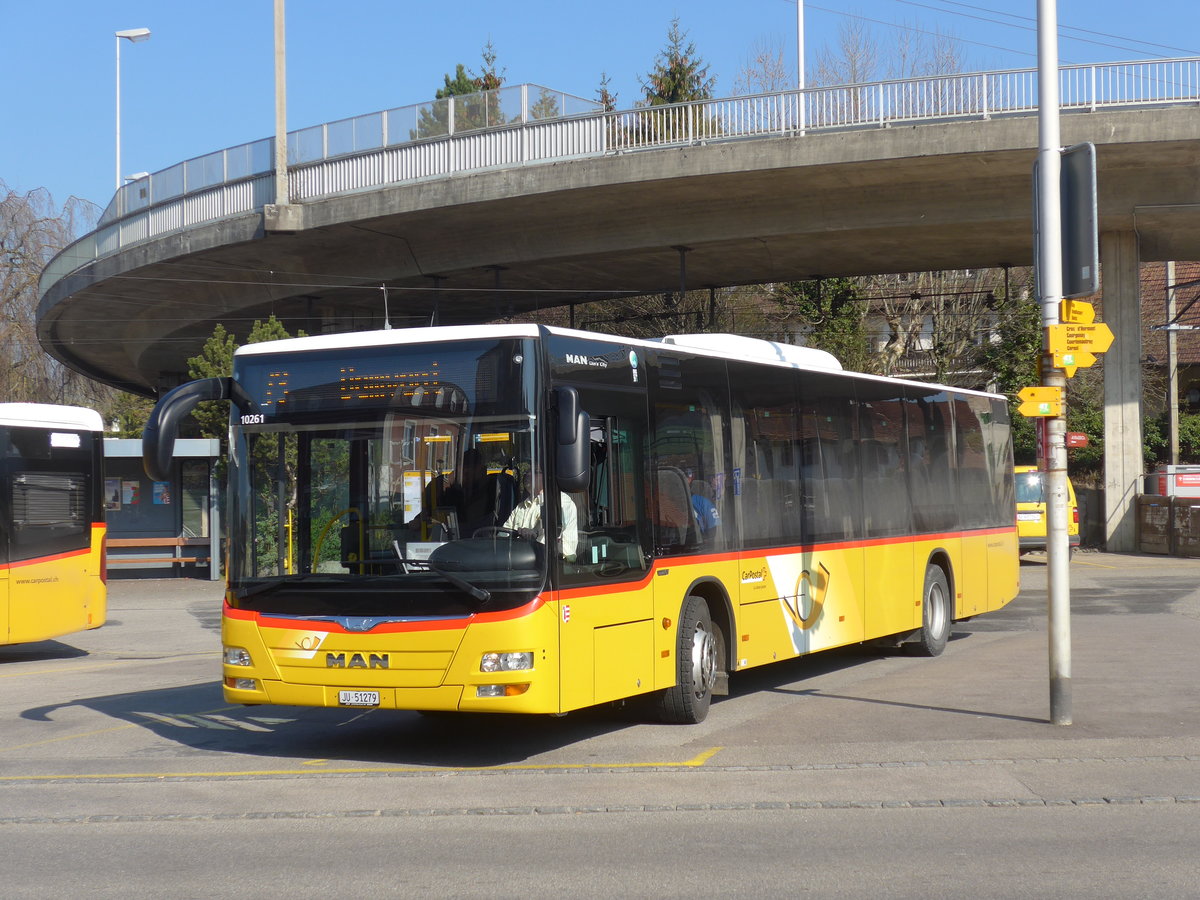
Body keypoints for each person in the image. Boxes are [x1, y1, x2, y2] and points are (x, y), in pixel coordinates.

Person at [503, 468, 578, 561]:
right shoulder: (520, 507)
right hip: (515, 561)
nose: (527, 474)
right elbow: (503, 535)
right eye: (527, 471)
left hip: (549, 565)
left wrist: (535, 535)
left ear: (547, 476)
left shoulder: (561, 502)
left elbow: (554, 545)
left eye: (534, 471)